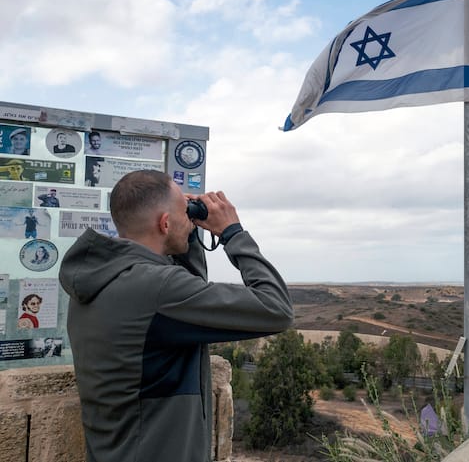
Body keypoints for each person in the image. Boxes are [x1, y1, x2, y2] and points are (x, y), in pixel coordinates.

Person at [59, 169, 294, 462]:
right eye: (185, 213)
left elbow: (189, 302)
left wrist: (188, 233)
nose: (190, 219)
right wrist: (233, 233)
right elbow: (276, 308)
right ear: (165, 223)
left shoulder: (101, 279)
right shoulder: (156, 289)